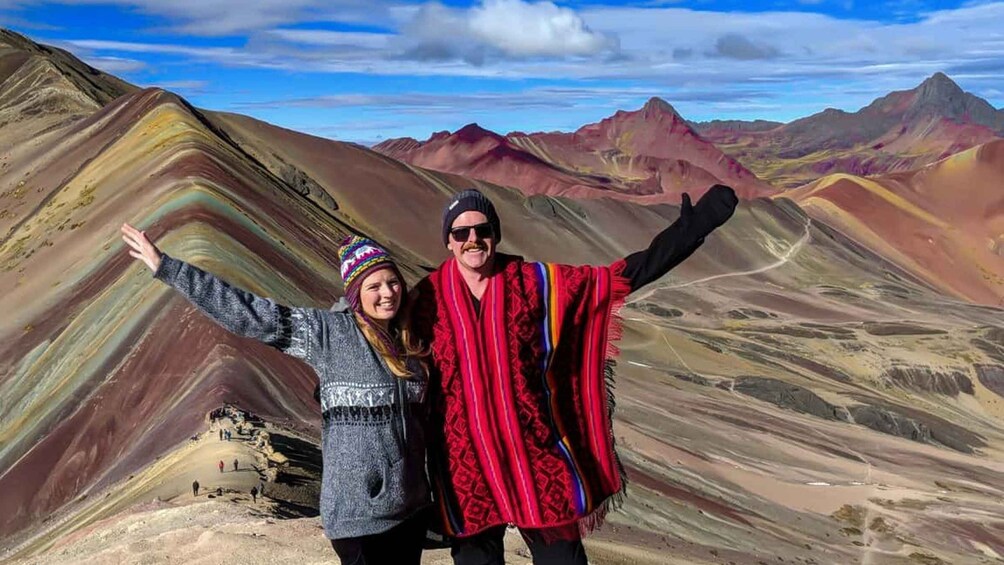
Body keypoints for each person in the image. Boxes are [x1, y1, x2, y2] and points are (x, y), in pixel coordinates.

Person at [412, 185, 738, 565]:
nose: (473, 240)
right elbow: (381, 330)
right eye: (461, 233)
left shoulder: (533, 283)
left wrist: (690, 231)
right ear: (448, 242)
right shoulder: (425, 300)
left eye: (482, 230)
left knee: (563, 561)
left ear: (496, 235)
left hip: (535, 458)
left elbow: (615, 279)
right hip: (465, 470)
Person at [120, 225, 432, 565]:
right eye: (374, 286)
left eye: (393, 282)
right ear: (356, 293)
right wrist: (169, 268)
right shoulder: (328, 334)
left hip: (410, 512)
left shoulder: (411, 344)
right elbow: (251, 315)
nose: (387, 293)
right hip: (359, 514)